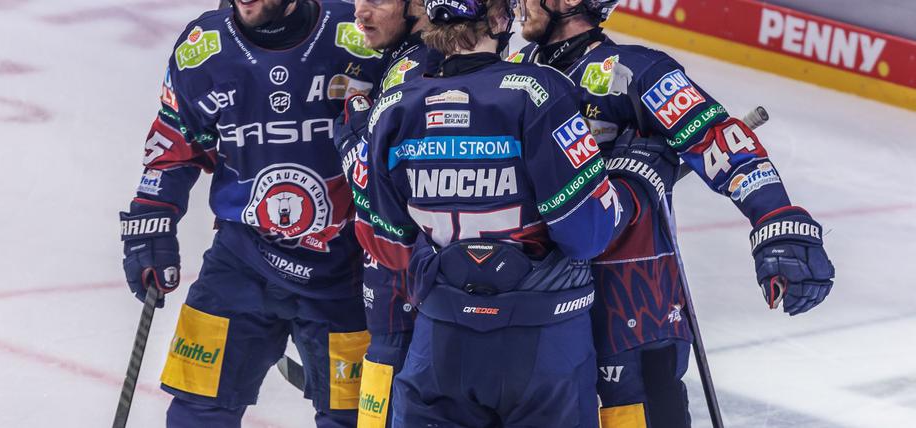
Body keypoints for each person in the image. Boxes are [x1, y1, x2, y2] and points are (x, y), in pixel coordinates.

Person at [510, 1, 836, 426]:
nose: (518, 5)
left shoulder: (631, 70)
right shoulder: (513, 70)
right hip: (535, 298)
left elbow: (720, 142)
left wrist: (776, 219)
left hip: (632, 301)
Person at [356, 0, 639, 425]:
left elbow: (385, 244)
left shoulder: (391, 107)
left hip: (439, 343)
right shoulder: (539, 90)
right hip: (544, 343)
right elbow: (588, 234)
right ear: (500, 19)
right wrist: (635, 182)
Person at [117, 0, 383, 426]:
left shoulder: (358, 37)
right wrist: (153, 219)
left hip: (344, 267)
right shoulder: (204, 49)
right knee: (197, 409)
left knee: (353, 418)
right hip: (242, 259)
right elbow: (177, 138)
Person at [336, 1, 438, 426]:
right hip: (404, 297)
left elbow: (372, 187)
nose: (360, 12)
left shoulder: (420, 66)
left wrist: (352, 128)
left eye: (378, 0)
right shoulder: (410, 58)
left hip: (406, 298)